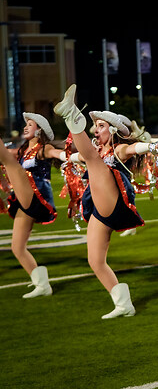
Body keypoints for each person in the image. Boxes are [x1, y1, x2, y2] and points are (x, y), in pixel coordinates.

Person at [54, 85, 153, 319]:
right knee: (95, 261)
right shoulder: (94, 152)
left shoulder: (120, 149)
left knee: (93, 160)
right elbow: (75, 156)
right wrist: (60, 156)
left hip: (115, 200)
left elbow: (134, 148)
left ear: (114, 130)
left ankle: (71, 114)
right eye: (95, 126)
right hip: (98, 207)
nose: (96, 130)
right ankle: (123, 304)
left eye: (101, 126)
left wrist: (152, 145)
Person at [0, 113, 65, 298]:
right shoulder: (22, 151)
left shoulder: (44, 148)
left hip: (37, 195)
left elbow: (55, 153)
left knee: (9, 161)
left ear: (40, 130)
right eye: (26, 124)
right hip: (24, 197)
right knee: (17, 247)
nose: (25, 127)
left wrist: (65, 155)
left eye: (30, 124)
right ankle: (42, 284)